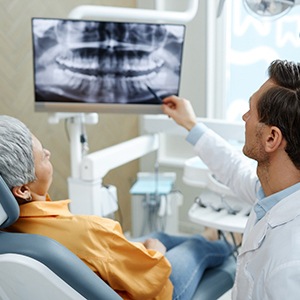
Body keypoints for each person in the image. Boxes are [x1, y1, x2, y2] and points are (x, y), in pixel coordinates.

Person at [0, 115, 232, 300]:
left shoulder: (8, 231)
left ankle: (208, 237)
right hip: (157, 292)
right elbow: (151, 277)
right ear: (21, 190)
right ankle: (229, 245)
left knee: (158, 235)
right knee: (195, 246)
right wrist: (156, 251)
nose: (48, 153)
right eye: (43, 157)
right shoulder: (89, 231)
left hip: (105, 270)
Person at [162, 59, 300, 300]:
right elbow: (235, 170)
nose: (245, 117)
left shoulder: (289, 266)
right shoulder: (276, 192)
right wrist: (190, 124)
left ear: (271, 139)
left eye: (251, 110)